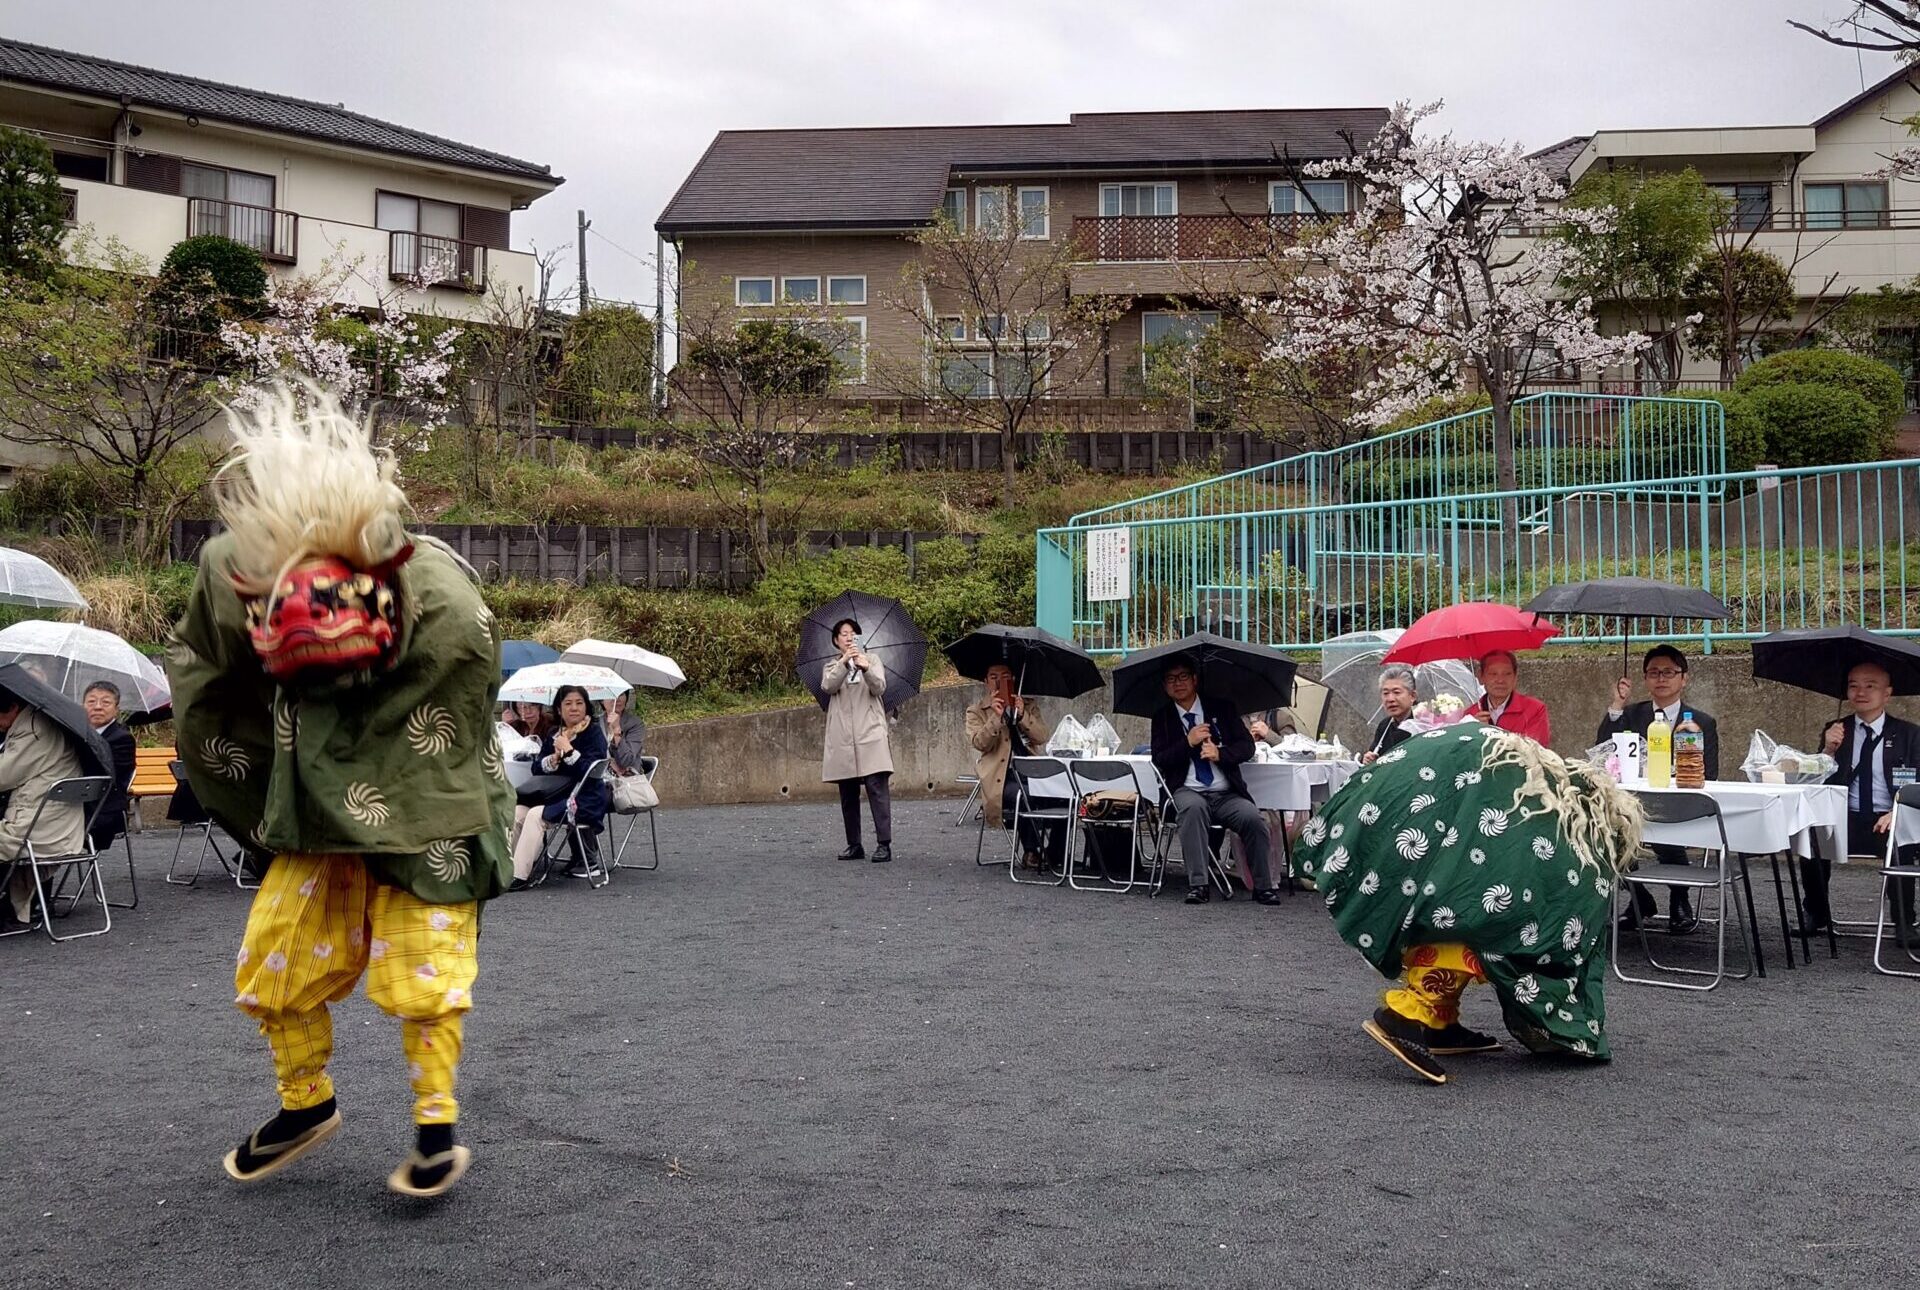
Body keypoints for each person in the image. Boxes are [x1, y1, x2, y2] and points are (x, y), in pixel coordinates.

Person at [169, 385, 514, 1198]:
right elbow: (211, 679)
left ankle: (437, 1128)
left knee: (425, 978)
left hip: (427, 812)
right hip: (320, 816)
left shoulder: (440, 591)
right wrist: (269, 788)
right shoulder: (238, 570)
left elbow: (458, 707)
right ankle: (305, 1103)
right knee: (274, 964)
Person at [1296, 724, 1644, 1084]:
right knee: (1483, 909)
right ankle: (1412, 1012)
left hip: (1446, 772)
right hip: (1453, 775)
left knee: (1471, 891)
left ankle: (1440, 1019)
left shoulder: (1555, 811)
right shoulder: (1567, 832)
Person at [1596, 644, 1720, 934]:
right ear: (1645, 678)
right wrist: (1616, 705)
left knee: (1668, 835)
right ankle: (1639, 899)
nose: (1661, 679)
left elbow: (1709, 772)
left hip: (1680, 802)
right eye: (1653, 673)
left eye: (1668, 672)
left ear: (1683, 678)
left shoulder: (1700, 722)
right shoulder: (1631, 714)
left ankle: (1680, 900)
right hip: (1634, 802)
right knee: (1608, 834)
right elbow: (1603, 750)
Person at [1147, 655, 1280, 906]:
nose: (1178, 683)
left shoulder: (1222, 709)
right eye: (1171, 679)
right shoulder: (1162, 718)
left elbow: (1247, 747)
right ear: (1165, 686)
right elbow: (1160, 759)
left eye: (1183, 676)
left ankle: (1263, 887)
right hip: (1187, 789)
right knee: (1193, 809)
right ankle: (1198, 884)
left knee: (1253, 817)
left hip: (1225, 792)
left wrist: (1221, 754)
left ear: (1195, 679)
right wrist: (1188, 742)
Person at [1816, 661, 1920, 934]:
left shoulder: (1910, 734)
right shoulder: (1836, 729)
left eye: (1870, 686)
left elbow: (1917, 786)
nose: (1860, 692)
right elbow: (1816, 781)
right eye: (1853, 685)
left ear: (1887, 693)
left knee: (1901, 841)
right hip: (1845, 816)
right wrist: (1827, 749)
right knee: (1811, 837)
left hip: (1888, 816)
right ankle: (1815, 912)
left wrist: (1897, 813)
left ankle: (1904, 921)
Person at [0, 684, 88, 927]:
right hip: (59, 829)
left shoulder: (32, 730)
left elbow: (3, 777)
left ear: (14, 708)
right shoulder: (43, 722)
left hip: (36, 834)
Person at [509, 685, 609, 885]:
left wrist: (569, 751)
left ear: (586, 707)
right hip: (553, 795)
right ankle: (503, 867)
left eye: (579, 703)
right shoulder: (555, 733)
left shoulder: (594, 733)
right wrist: (552, 760)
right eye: (568, 703)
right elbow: (536, 768)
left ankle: (519, 875)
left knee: (536, 815)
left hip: (583, 797)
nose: (574, 708)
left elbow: (592, 772)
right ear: (558, 709)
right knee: (518, 812)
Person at [964, 663, 1060, 869]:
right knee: (1023, 795)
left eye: (1006, 677)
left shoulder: (1028, 705)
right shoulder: (976, 711)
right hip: (1001, 778)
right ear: (986, 682)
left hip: (1032, 771)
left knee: (1066, 796)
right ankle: (1033, 852)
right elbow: (979, 743)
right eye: (994, 677)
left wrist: (1023, 714)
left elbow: (1042, 736)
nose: (1000, 682)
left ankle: (1056, 853)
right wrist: (996, 718)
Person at [822, 618, 893, 863]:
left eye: (853, 633)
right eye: (843, 634)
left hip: (870, 733)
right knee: (848, 793)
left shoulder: (872, 660)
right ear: (836, 640)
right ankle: (854, 844)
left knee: (877, 788)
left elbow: (880, 687)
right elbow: (828, 686)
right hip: (843, 736)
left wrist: (865, 668)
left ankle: (884, 844)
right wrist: (845, 663)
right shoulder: (832, 666)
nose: (849, 637)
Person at [82, 680, 137, 853]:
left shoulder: (122, 738)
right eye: (91, 702)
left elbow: (106, 777)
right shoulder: (76, 733)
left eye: (105, 702)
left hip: (100, 809)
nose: (97, 707)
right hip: (76, 804)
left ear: (116, 709)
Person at [1467, 651, 1551, 744]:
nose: (1500, 680)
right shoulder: (1471, 715)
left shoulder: (1535, 710)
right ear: (1481, 677)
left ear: (1515, 677)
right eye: (1493, 674)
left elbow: (1535, 749)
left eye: (1507, 673)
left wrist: (1492, 735)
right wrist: (1473, 730)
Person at [1362, 664, 1418, 764]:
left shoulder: (1423, 724)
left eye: (1396, 692)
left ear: (1413, 696)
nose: (1390, 699)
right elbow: (1376, 755)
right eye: (1386, 693)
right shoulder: (1384, 726)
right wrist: (1370, 761)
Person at [603, 689, 647, 778]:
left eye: (621, 694)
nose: (616, 698)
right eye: (610, 695)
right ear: (601, 700)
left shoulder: (635, 724)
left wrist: (616, 730)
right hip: (599, 777)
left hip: (625, 780)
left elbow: (626, 761)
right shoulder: (595, 724)